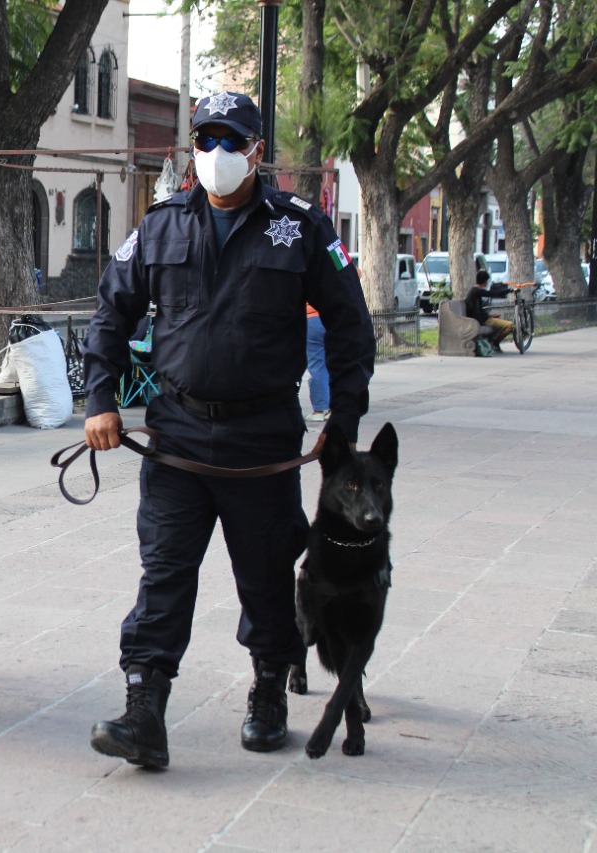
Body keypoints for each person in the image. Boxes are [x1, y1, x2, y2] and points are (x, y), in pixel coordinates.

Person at [81, 91, 376, 768]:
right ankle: (144, 708)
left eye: (230, 141)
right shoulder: (160, 226)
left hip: (263, 441)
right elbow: (109, 313)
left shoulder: (299, 226)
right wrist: (100, 399)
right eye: (205, 140)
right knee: (163, 575)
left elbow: (350, 325)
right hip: (178, 436)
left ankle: (269, 687)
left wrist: (345, 421)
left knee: (270, 578)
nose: (215, 154)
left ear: (256, 151)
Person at [465, 269, 514, 352]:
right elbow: (492, 293)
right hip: (483, 320)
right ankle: (495, 342)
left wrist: (490, 316)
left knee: (499, 323)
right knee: (510, 326)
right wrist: (509, 290)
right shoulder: (477, 291)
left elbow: (477, 309)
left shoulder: (474, 291)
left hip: (483, 318)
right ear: (485, 281)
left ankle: (493, 341)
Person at [305, 304, 331, 421]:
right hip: (332, 317)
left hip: (311, 318)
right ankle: (334, 408)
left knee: (317, 366)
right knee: (334, 364)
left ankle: (319, 410)